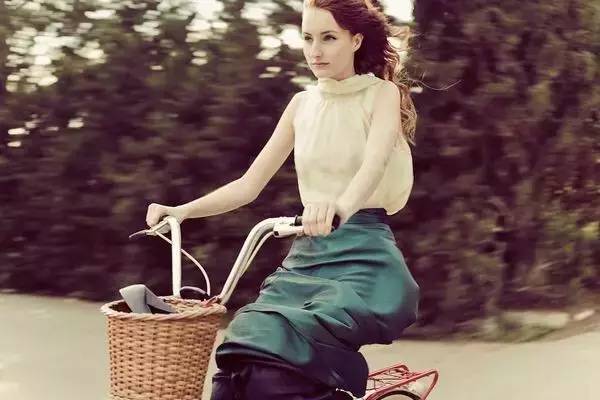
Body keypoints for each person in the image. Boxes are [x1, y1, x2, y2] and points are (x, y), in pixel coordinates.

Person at [146, 0, 420, 398]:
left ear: (356, 40)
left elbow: (373, 165)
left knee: (279, 366)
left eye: (328, 38)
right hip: (308, 255)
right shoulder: (301, 105)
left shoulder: (382, 95)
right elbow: (248, 184)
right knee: (241, 350)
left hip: (363, 253)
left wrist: (339, 208)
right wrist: (182, 211)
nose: (315, 50)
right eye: (308, 38)